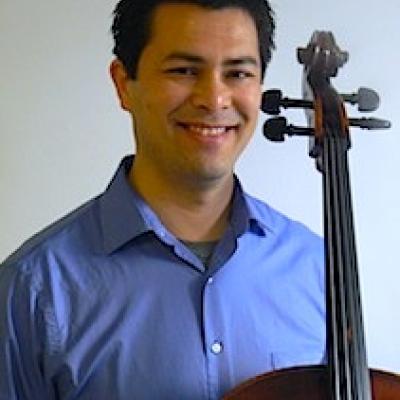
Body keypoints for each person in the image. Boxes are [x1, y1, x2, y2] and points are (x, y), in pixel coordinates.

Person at [0, 0, 325, 399]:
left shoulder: (316, 269)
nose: (215, 99)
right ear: (124, 84)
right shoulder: (33, 290)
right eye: (184, 71)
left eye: (238, 73)